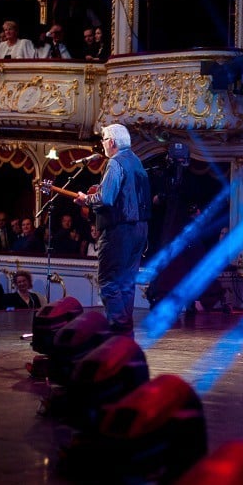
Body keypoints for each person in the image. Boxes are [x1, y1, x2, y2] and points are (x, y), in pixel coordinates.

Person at [74, 123, 151, 335]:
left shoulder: (115, 163)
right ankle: (126, 336)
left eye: (104, 139)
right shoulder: (136, 161)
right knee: (126, 283)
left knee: (108, 283)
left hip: (119, 230)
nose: (102, 143)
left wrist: (86, 199)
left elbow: (106, 199)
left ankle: (118, 334)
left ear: (112, 142)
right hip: (139, 229)